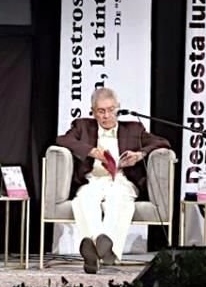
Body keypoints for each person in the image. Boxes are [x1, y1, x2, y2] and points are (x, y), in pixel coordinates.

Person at [56, 87, 171, 274]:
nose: (106, 115)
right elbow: (62, 140)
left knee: (119, 198)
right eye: (101, 111)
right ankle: (102, 250)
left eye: (110, 110)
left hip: (121, 179)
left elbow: (162, 142)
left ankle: (97, 247)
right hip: (93, 180)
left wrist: (139, 154)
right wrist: (91, 151)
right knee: (83, 200)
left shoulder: (134, 128)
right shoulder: (82, 126)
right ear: (93, 111)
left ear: (118, 108)